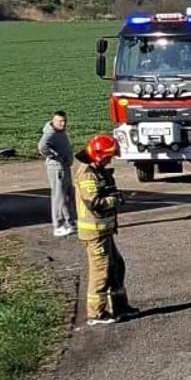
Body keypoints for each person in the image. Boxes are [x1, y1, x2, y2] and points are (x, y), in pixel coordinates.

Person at [73, 134, 134, 325]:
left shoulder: (98, 170)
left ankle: (120, 307)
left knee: (116, 266)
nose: (110, 160)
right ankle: (96, 313)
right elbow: (94, 203)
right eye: (108, 157)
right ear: (98, 155)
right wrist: (115, 200)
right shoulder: (87, 174)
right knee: (101, 272)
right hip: (95, 233)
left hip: (105, 230)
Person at [38, 111, 74, 237]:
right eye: (60, 121)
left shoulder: (60, 132)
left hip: (64, 167)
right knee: (59, 196)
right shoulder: (51, 133)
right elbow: (42, 147)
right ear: (53, 121)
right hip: (57, 168)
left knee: (67, 195)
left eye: (64, 121)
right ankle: (58, 225)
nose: (63, 124)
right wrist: (55, 156)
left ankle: (69, 222)